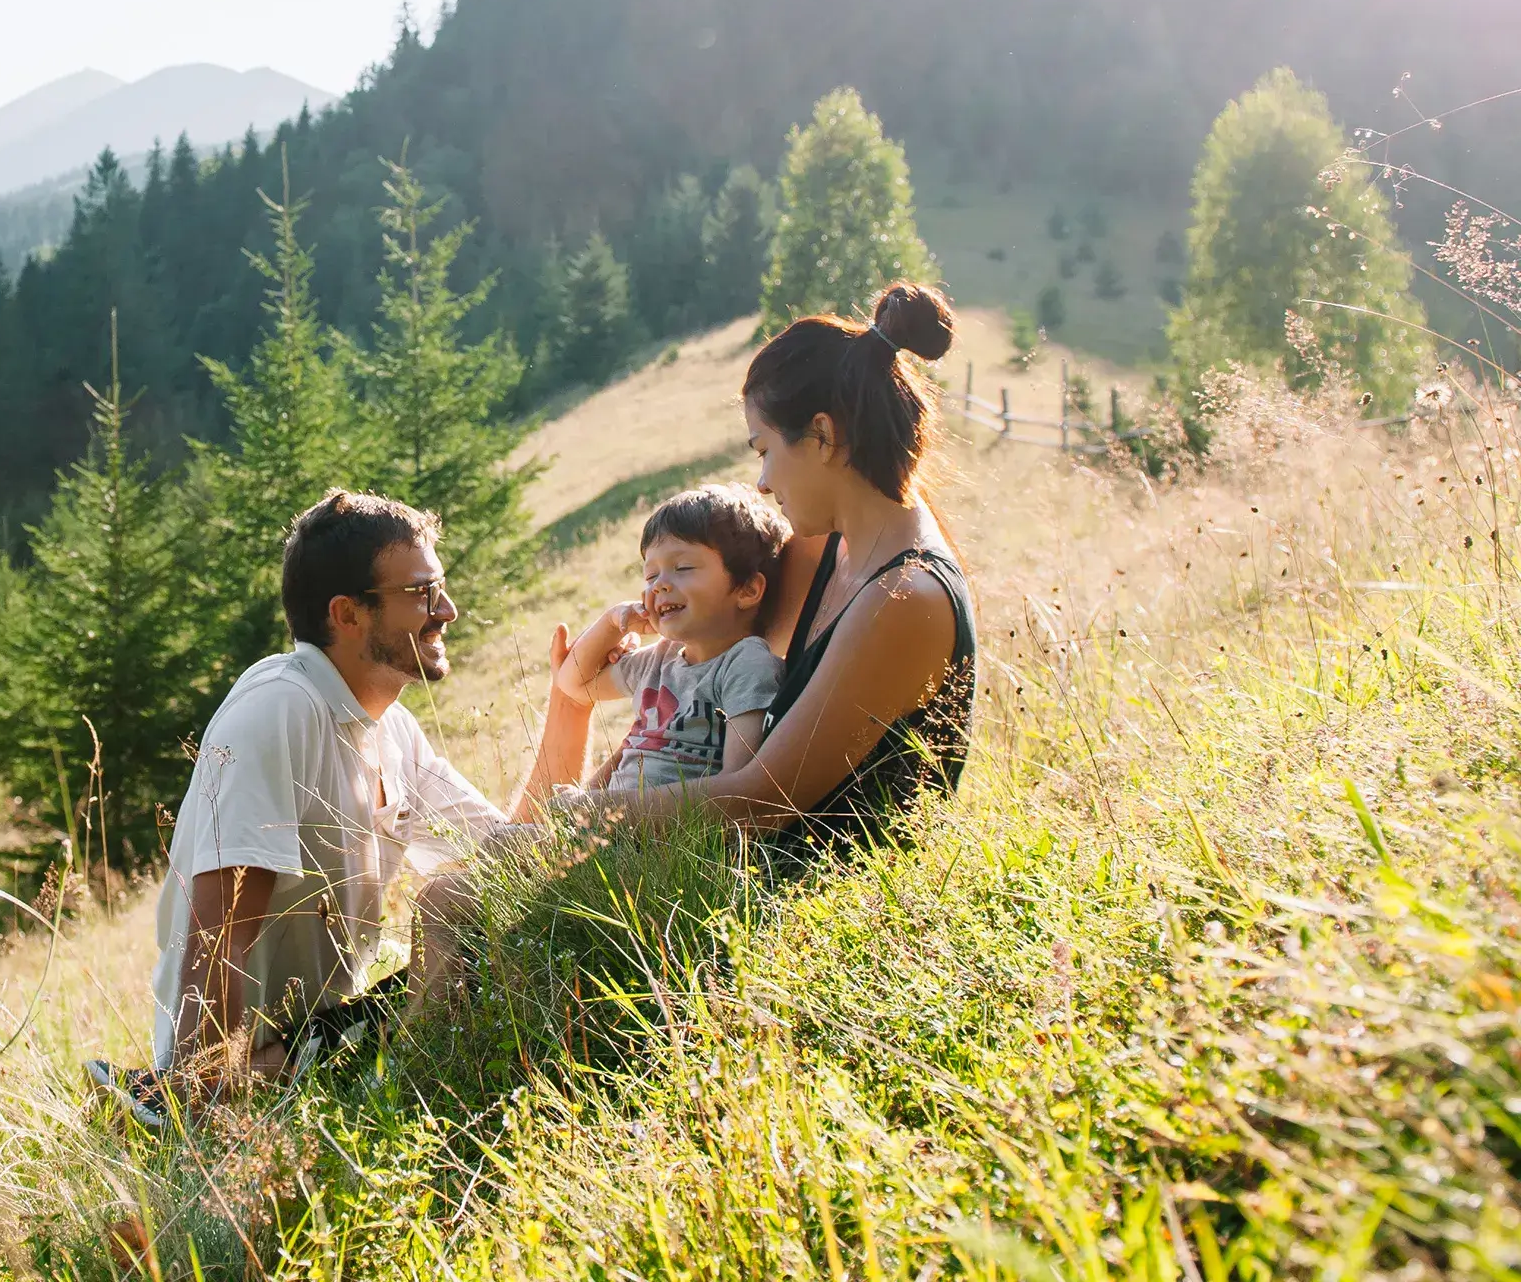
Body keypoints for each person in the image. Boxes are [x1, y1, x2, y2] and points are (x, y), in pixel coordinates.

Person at [86, 490, 527, 1126]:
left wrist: (573, 701)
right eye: (421, 593)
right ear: (348, 614)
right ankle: (169, 1096)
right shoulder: (279, 708)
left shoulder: (393, 730)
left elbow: (511, 855)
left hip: (321, 1045)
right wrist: (210, 1094)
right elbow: (220, 927)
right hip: (240, 1066)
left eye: (441, 587)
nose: (447, 611)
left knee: (479, 947)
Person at [532, 280, 978, 854]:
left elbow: (763, 803)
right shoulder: (820, 551)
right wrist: (571, 834)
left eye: (765, 450)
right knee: (456, 892)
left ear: (821, 434)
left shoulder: (906, 596)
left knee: (448, 903)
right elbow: (683, 701)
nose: (762, 482)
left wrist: (593, 812)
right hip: (712, 855)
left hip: (802, 893)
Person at [551, 485, 793, 794]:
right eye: (651, 576)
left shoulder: (746, 665)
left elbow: (736, 787)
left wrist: (607, 809)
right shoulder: (659, 659)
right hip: (610, 824)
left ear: (747, 590)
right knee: (498, 839)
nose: (660, 585)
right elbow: (573, 683)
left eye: (683, 568)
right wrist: (613, 623)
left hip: (668, 828)